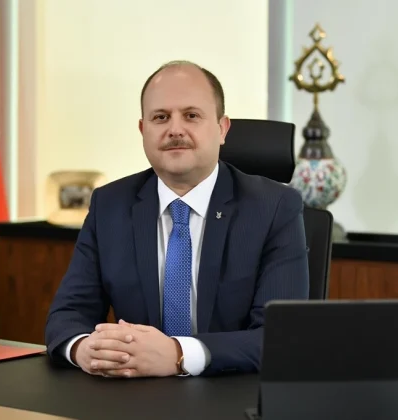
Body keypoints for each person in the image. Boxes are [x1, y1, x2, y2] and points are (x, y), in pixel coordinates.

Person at [44, 60, 309, 378]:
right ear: (143, 130)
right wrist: (84, 348)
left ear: (222, 129)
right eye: (160, 117)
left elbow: (278, 338)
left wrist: (178, 354)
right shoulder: (110, 205)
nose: (175, 129)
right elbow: (68, 315)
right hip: (132, 392)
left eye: (191, 115)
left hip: (233, 392)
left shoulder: (274, 207)